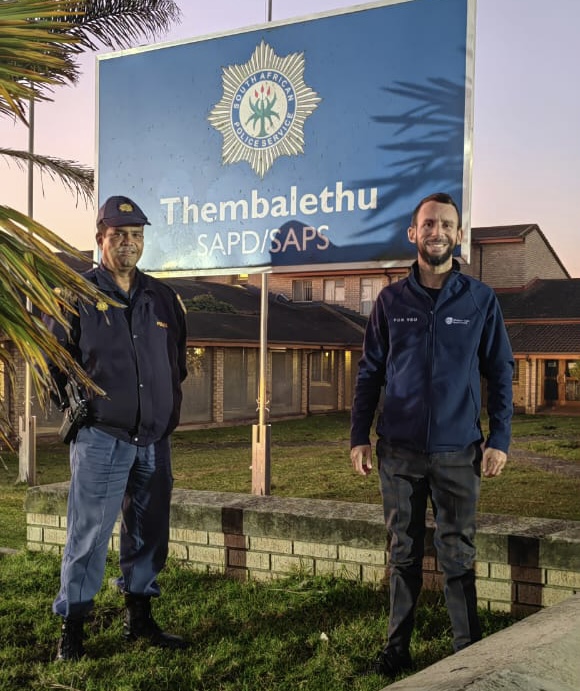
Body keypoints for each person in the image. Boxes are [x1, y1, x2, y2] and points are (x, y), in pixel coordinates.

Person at [350, 192, 513, 677]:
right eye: (428, 224)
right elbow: (369, 373)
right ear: (413, 234)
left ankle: (469, 654)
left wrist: (500, 438)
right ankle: (397, 648)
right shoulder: (391, 301)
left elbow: (500, 372)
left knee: (457, 552)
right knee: (402, 552)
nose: (437, 231)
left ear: (457, 234)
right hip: (398, 452)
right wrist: (359, 434)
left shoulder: (480, 299)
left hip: (458, 452)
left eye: (446, 224)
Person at [47, 195, 188, 661]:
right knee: (88, 534)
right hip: (101, 436)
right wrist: (75, 404)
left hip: (153, 440)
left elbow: (175, 362)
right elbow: (52, 360)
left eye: (136, 236)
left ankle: (140, 617)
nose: (129, 243)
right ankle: (74, 628)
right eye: (119, 235)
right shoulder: (77, 293)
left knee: (149, 530)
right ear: (100, 239)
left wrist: (167, 412)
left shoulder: (162, 297)